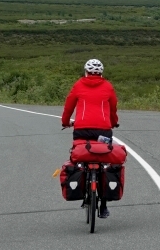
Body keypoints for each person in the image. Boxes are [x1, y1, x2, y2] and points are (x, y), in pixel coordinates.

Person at [61, 58, 119, 218]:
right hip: (104, 132)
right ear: (101, 73)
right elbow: (113, 108)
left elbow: (69, 105)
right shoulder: (107, 86)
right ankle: (104, 206)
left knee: (79, 158)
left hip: (82, 130)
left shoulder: (79, 85)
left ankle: (81, 188)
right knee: (105, 161)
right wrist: (113, 122)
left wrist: (65, 122)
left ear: (86, 72)